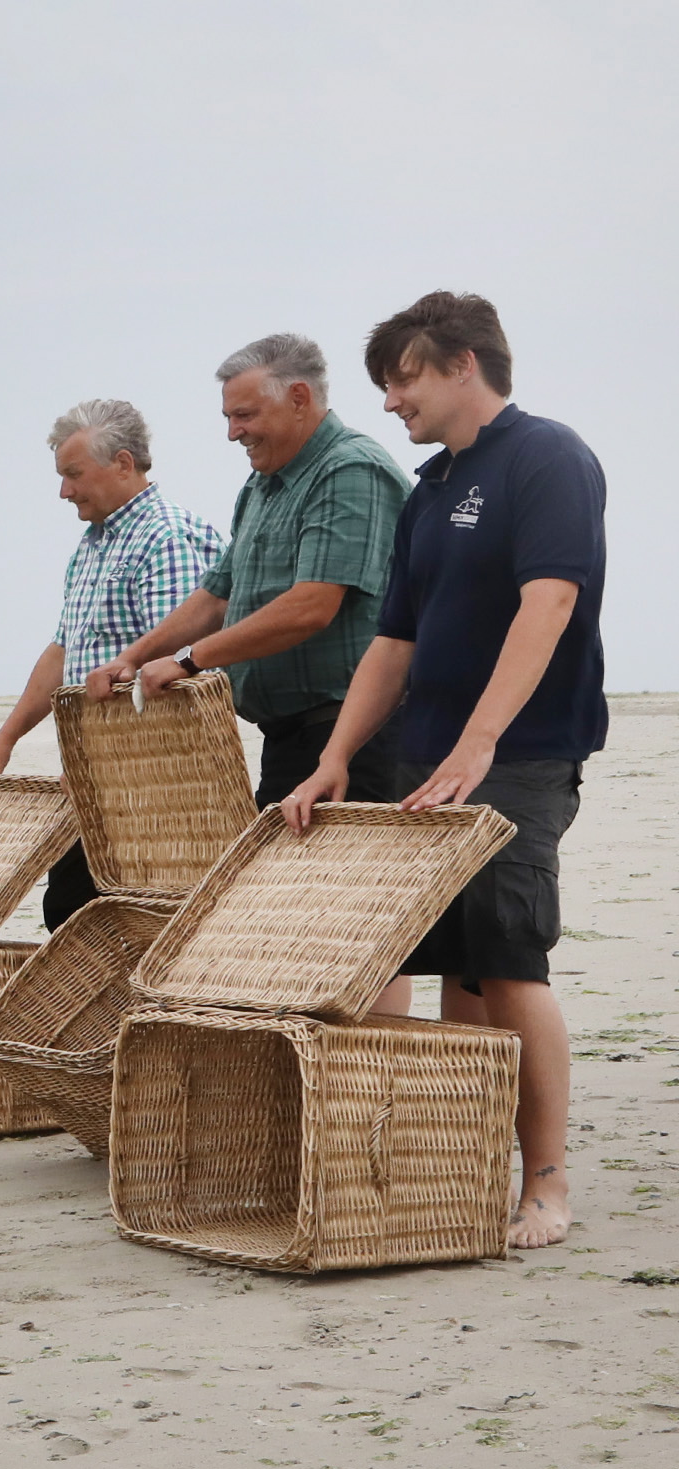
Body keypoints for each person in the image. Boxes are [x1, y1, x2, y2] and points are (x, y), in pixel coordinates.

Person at [278, 292, 605, 1250]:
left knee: (506, 963)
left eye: (405, 377)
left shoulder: (549, 458)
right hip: (427, 757)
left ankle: (546, 1182)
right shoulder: (428, 490)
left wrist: (482, 742)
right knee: (450, 965)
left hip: (522, 755)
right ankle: (464, 1171)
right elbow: (393, 644)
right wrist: (337, 758)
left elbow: (547, 605)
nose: (391, 401)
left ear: (464, 363)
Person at [90, 334, 408, 805]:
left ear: (299, 398)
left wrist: (188, 661)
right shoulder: (262, 485)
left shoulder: (350, 469)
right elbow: (217, 596)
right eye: (229, 417)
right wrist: (131, 658)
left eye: (245, 415)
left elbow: (312, 606)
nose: (233, 433)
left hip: (355, 742)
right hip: (290, 741)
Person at [0, 399, 224, 926]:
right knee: (70, 916)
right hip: (96, 786)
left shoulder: (167, 537)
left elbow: (178, 677)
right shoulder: (91, 545)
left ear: (123, 464)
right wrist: (5, 740)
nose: (64, 491)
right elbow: (62, 652)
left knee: (130, 926)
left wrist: (106, 765)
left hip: (156, 792)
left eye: (73, 474)